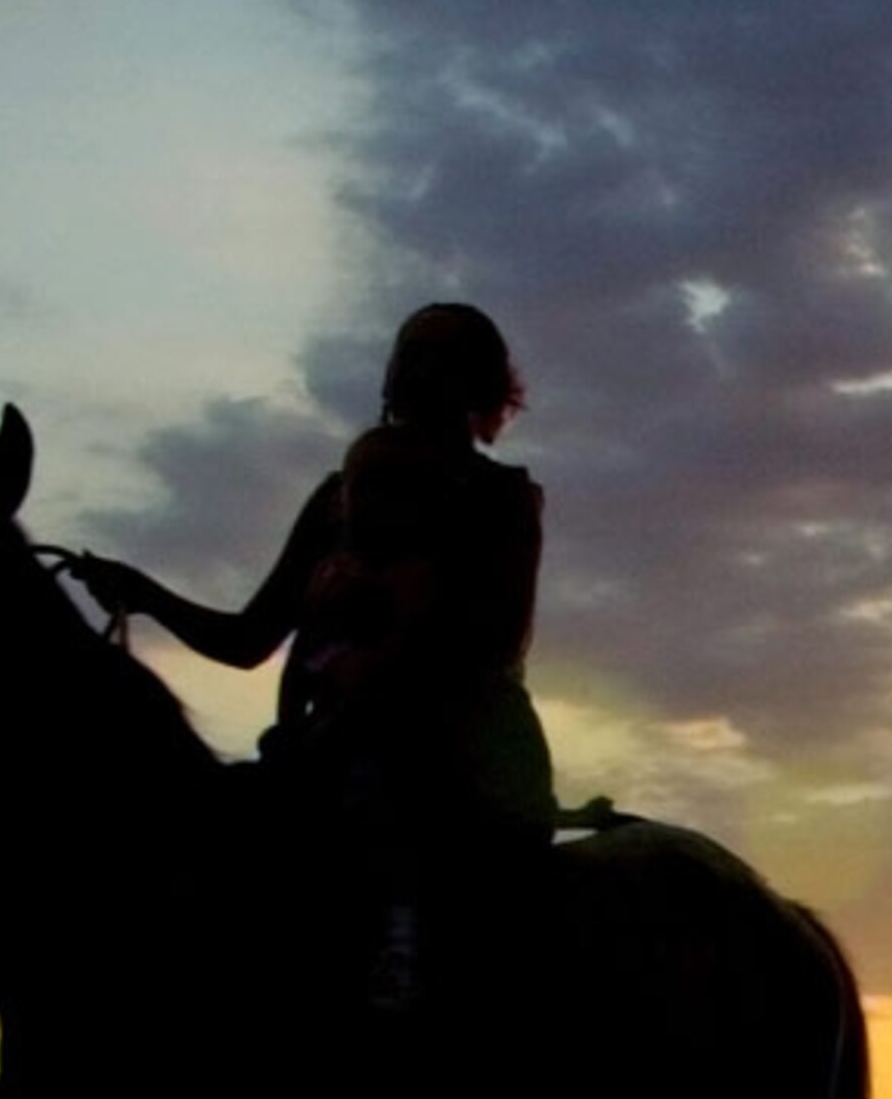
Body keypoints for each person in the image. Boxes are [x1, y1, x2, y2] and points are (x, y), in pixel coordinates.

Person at [66, 304, 555, 1004]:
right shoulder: (343, 494)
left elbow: (494, 646)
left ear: (478, 385)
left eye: (436, 358)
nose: (416, 372)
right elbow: (250, 638)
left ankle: (404, 958)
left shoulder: (501, 499)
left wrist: (374, 681)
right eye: (408, 355)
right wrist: (142, 594)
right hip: (323, 750)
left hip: (458, 762)